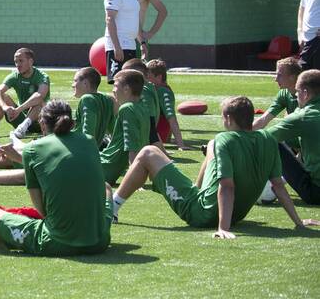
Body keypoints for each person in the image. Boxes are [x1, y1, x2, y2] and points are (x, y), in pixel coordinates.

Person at [111, 96, 319, 238]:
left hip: (203, 213)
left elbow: (227, 186)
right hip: (236, 213)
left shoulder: (225, 139)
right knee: (210, 145)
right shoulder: (267, 138)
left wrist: (223, 228)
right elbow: (278, 186)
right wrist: (298, 223)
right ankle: (197, 188)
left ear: (228, 119)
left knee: (148, 152)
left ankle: (112, 207)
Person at [0, 100, 113, 256]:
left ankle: (17, 240)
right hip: (100, 241)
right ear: (71, 122)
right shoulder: (89, 141)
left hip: (57, 241)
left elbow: (42, 210)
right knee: (107, 188)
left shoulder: (32, 149)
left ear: (42, 124)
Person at [263, 69, 320, 204]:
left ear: (305, 93)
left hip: (316, 192)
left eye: (297, 93)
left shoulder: (304, 115)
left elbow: (264, 138)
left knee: (271, 144)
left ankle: (255, 184)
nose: (296, 97)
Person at [0, 48, 50, 140]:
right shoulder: (14, 75)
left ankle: (23, 128)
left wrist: (18, 110)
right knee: (3, 97)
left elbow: (39, 96)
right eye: (16, 62)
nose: (18, 65)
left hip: (41, 122)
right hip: (19, 119)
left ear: (30, 61)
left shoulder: (42, 76)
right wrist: (5, 107)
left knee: (39, 102)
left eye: (21, 61)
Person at [100, 69, 148, 184]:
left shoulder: (127, 109)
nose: (113, 90)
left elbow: (131, 145)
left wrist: (134, 180)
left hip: (103, 169)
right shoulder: (142, 107)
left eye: (115, 86)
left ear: (126, 89)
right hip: (107, 167)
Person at [104, 0, 143, 82]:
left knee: (130, 83)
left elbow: (133, 20)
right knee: (119, 83)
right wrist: (116, 46)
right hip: (119, 44)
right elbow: (110, 19)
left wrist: (142, 42)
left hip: (131, 44)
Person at [121, 58, 163, 151]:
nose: (123, 77)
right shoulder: (149, 86)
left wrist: (160, 150)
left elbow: (151, 124)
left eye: (126, 74)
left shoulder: (143, 90)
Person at [145, 59, 188, 149]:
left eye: (148, 76)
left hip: (158, 134)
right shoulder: (156, 89)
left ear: (159, 77)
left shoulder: (164, 92)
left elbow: (171, 118)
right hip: (159, 134)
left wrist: (180, 144)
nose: (146, 80)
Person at [253, 56, 301, 129]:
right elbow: (264, 119)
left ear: (292, 77)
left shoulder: (309, 95)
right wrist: (245, 135)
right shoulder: (283, 94)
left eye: (280, 75)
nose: (276, 79)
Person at [73, 66, 115, 145]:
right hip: (95, 148)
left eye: (75, 81)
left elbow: (88, 133)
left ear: (85, 83)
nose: (73, 85)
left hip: (79, 149)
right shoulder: (107, 100)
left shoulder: (87, 99)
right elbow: (113, 131)